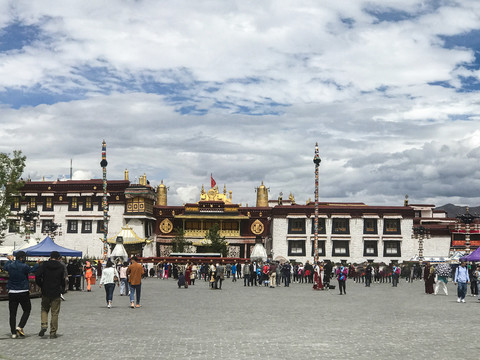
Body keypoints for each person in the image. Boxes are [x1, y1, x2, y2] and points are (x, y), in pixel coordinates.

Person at [4, 252, 39, 338]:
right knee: (27, 309)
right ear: (21, 258)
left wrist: (10, 260)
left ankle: (13, 333)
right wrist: (37, 264)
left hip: (12, 291)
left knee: (12, 313)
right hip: (23, 290)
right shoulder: (24, 266)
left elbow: (5, 267)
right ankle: (20, 326)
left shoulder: (11, 265)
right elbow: (32, 270)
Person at [35, 251, 66, 339]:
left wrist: (41, 284)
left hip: (45, 291)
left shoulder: (45, 265)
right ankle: (53, 332)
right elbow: (62, 280)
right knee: (55, 312)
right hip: (56, 291)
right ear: (58, 258)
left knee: (44, 309)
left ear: (50, 256)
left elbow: (37, 275)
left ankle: (44, 325)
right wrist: (62, 290)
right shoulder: (60, 266)